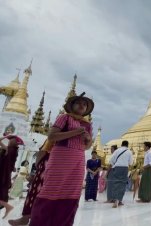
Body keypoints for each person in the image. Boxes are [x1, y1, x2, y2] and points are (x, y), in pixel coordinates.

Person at [29, 92, 94, 226]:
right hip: (61, 156)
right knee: (51, 190)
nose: (82, 106)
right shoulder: (64, 118)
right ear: (72, 105)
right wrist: (76, 132)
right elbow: (52, 136)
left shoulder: (87, 124)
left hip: (78, 159)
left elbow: (87, 147)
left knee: (72, 193)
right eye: (79, 103)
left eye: (84, 104)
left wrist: (87, 139)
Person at [8, 144, 50, 226]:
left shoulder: (53, 138)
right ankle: (32, 217)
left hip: (46, 167)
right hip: (56, 167)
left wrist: (38, 165)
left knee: (35, 192)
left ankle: (27, 217)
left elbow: (42, 152)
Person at [0, 135, 24, 219]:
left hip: (2, 175)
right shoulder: (14, 151)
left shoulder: (9, 150)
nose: (9, 141)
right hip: (4, 175)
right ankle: (7, 207)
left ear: (15, 143)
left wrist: (6, 136)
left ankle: (7, 207)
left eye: (11, 140)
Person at [108, 141, 133, 208]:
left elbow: (111, 161)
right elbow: (131, 163)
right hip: (125, 168)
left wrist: (114, 165)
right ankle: (120, 200)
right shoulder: (129, 151)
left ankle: (115, 200)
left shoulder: (117, 150)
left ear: (121, 144)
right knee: (122, 184)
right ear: (127, 145)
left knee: (116, 183)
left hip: (117, 167)